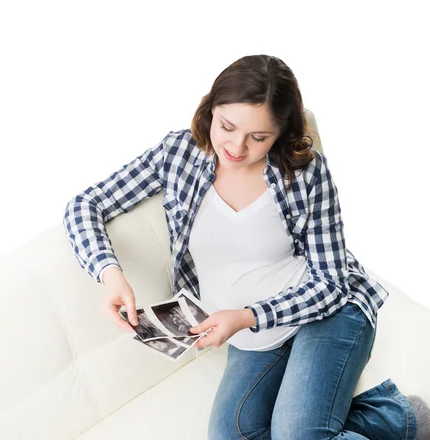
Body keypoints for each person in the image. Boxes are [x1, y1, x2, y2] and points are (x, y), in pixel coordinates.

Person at [63, 54, 429, 439]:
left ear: (282, 133)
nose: (237, 147)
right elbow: (85, 204)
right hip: (253, 336)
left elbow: (331, 282)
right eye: (227, 126)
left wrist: (246, 316)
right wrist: (110, 274)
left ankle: (393, 421)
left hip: (325, 311)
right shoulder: (178, 153)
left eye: (258, 137)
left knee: (298, 435)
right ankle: (395, 419)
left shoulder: (305, 173)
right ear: (210, 110)